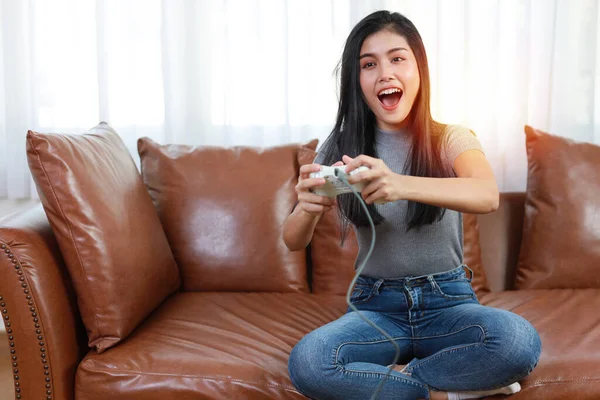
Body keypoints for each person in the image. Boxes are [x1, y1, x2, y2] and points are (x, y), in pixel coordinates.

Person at [282, 10, 541, 400]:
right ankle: (443, 391)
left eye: (397, 58)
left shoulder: (451, 138)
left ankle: (393, 382)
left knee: (518, 342)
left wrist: (398, 184)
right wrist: (305, 208)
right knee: (309, 362)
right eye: (369, 64)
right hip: (375, 307)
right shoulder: (339, 147)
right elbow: (291, 241)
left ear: (419, 69)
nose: (385, 73)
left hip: (448, 301)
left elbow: (486, 195)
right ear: (357, 81)